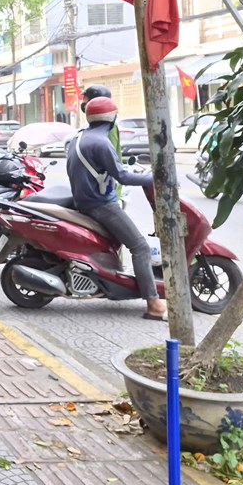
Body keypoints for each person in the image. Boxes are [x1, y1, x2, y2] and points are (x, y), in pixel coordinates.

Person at [66, 96, 167, 321]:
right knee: (140, 247)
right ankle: (153, 303)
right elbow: (121, 176)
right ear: (112, 119)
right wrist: (155, 179)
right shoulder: (102, 142)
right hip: (100, 205)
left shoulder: (79, 137)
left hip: (84, 201)